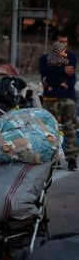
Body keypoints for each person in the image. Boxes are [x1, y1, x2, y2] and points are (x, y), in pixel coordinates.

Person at [39, 31, 77, 171]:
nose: (64, 44)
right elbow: (44, 73)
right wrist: (60, 76)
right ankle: (54, 159)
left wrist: (50, 81)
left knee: (70, 127)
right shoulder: (44, 58)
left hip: (68, 97)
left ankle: (72, 158)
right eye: (61, 41)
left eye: (66, 42)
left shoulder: (71, 56)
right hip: (50, 98)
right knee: (50, 129)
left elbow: (70, 75)